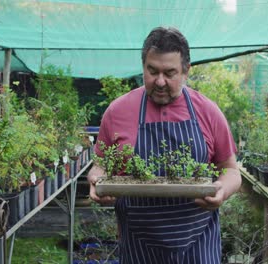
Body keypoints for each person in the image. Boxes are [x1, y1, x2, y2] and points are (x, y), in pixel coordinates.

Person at [87, 26, 242, 264]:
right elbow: (100, 166)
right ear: (143, 66)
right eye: (152, 71)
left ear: (186, 71)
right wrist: (98, 181)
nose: (160, 81)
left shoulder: (208, 111)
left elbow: (231, 170)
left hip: (198, 244)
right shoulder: (117, 112)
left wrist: (221, 190)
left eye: (170, 73)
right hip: (138, 245)